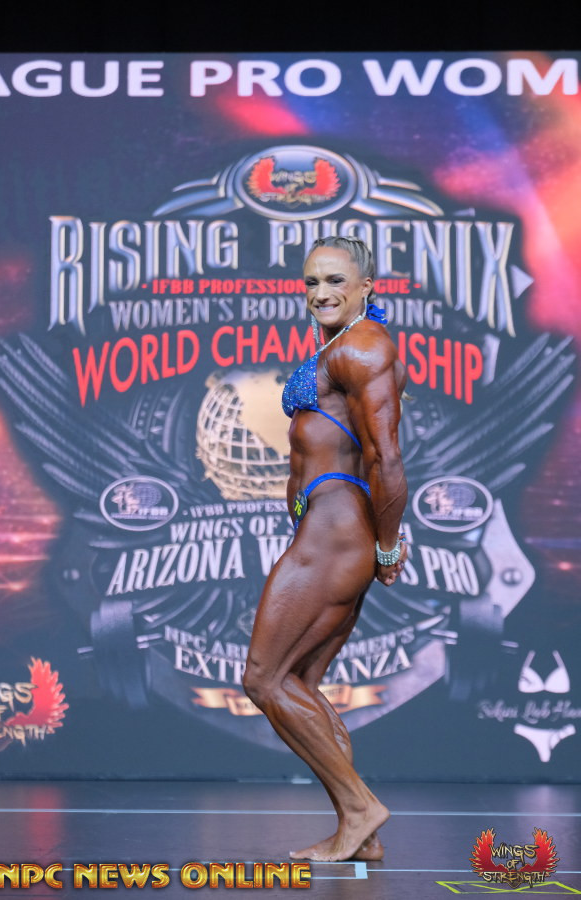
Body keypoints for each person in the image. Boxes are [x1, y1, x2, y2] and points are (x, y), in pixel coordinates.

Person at [242, 236, 408, 862]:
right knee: (301, 682)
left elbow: (385, 457)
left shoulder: (363, 346)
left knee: (263, 678)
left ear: (367, 286)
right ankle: (362, 832)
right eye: (311, 282)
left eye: (336, 280)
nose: (321, 293)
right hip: (327, 531)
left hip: (336, 535)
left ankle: (361, 807)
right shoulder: (341, 346)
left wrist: (387, 547)